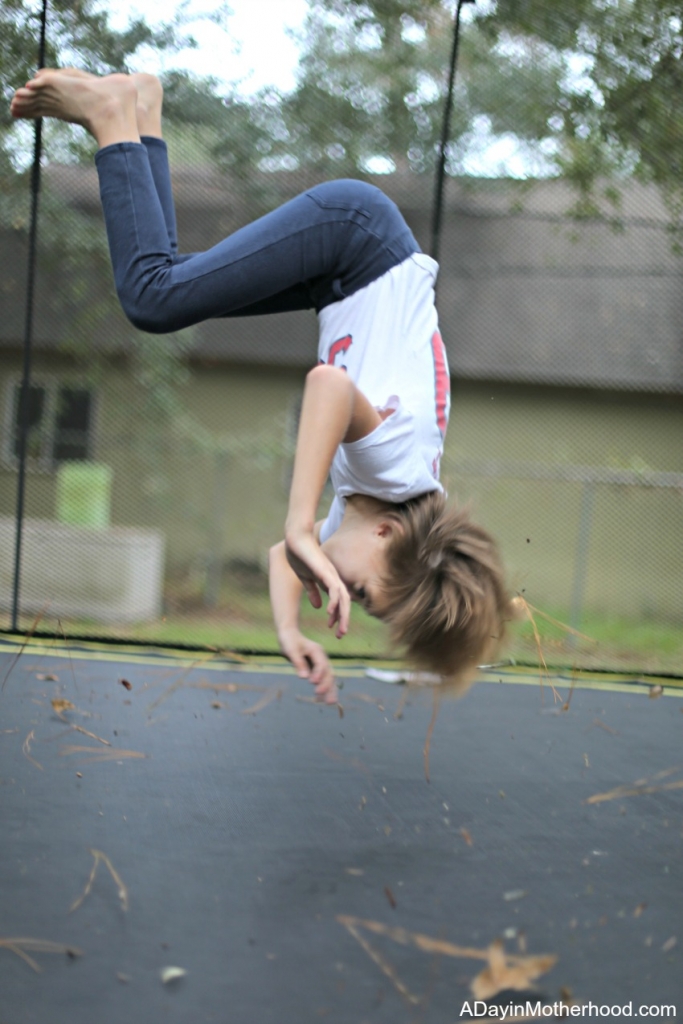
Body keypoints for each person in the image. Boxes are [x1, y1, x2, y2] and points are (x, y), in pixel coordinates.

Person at [11, 69, 510, 704]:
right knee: (153, 298)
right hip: (355, 237)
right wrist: (300, 523)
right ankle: (111, 114)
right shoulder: (395, 469)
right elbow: (328, 385)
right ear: (387, 537)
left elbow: (284, 558)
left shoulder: (372, 511)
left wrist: (289, 631)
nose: (344, 592)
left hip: (349, 264)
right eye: (360, 591)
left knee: (170, 283)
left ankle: (141, 114)